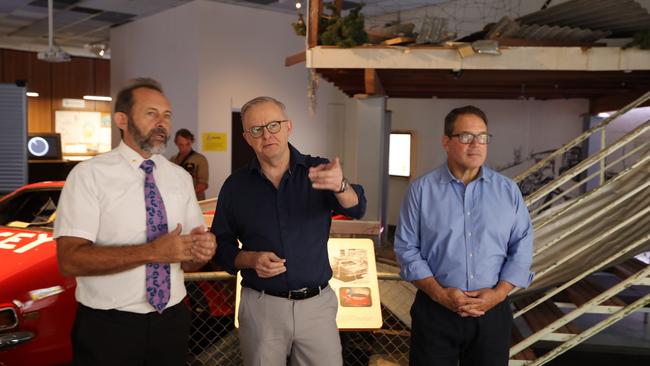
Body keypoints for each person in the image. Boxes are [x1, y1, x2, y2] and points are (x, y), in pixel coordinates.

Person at [54, 77, 217, 366]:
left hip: (171, 319)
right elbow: (70, 260)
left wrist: (202, 251)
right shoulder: (88, 176)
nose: (162, 123)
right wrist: (154, 251)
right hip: (109, 327)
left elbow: (189, 259)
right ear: (122, 119)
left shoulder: (179, 177)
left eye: (167, 115)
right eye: (151, 113)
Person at [211, 96, 366, 366]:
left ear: (288, 127)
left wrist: (341, 186)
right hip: (261, 306)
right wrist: (249, 260)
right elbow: (221, 247)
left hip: (317, 305)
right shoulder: (235, 186)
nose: (266, 134)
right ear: (247, 137)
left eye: (273, 125)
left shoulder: (318, 171)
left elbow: (356, 207)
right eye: (256, 130)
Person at [394, 105, 534, 366]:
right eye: (466, 137)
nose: (476, 145)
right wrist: (440, 294)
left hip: (492, 312)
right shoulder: (421, 190)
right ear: (446, 141)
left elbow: (522, 248)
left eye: (482, 137)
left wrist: (499, 294)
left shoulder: (508, 191)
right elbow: (406, 249)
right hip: (435, 310)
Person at [170, 128, 210, 200]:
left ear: (192, 142)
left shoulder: (200, 159)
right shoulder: (172, 160)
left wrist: (186, 195)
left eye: (187, 144)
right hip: (177, 201)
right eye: (181, 145)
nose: (184, 148)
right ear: (175, 143)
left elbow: (202, 185)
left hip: (196, 201)